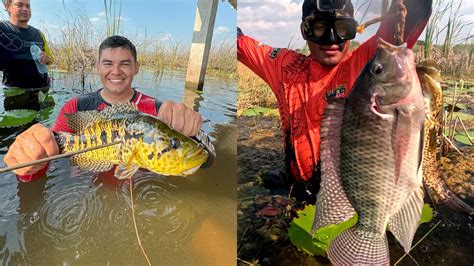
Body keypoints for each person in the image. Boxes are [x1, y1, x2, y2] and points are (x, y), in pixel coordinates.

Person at [237, 0, 432, 196]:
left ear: (353, 29)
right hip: (297, 191)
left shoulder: (369, 63)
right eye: (320, 27)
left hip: (350, 194)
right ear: (305, 30)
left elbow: (414, 11)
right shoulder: (285, 68)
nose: (331, 40)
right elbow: (240, 43)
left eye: (342, 28)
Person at [3, 35, 208, 182]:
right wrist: (28, 160)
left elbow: (206, 160)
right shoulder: (76, 106)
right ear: (98, 67)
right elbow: (50, 162)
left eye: (125, 64)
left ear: (137, 67)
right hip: (86, 193)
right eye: (108, 63)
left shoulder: (159, 112)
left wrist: (195, 132)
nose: (116, 71)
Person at [0, 0, 53, 110]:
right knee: (17, 127)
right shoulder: (2, 29)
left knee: (43, 124)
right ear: (7, 6)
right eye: (19, 5)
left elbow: (50, 59)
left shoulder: (38, 34)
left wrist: (47, 59)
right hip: (16, 93)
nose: (25, 9)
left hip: (43, 90)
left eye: (28, 6)